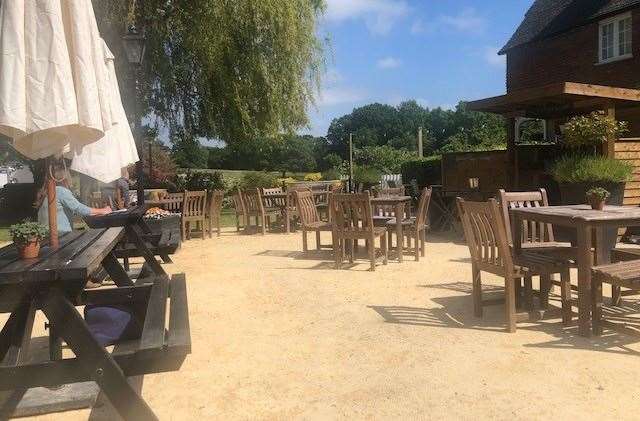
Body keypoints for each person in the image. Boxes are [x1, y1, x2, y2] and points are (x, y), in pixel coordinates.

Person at [35, 165, 112, 234]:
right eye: (70, 174)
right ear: (64, 177)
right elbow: (79, 208)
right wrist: (103, 210)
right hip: (61, 235)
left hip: (46, 235)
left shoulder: (48, 191)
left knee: (84, 232)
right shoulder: (60, 190)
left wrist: (96, 212)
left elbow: (78, 212)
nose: (71, 178)